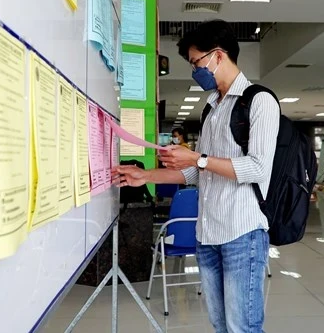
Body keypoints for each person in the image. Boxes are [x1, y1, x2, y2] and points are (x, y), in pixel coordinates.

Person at [113, 19, 279, 333]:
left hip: (242, 232)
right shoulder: (211, 109)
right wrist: (145, 175)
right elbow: (196, 174)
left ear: (218, 55)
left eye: (196, 62)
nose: (194, 71)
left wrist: (198, 159)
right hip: (207, 235)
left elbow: (257, 168)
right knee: (220, 326)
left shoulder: (259, 101)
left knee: (242, 327)